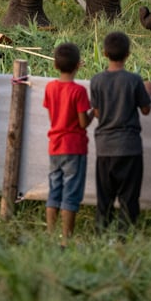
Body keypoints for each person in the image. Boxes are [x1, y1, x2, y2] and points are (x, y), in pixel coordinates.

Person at [89, 31, 151, 233]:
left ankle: (100, 234)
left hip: (105, 148)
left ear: (105, 53)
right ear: (128, 54)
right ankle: (126, 237)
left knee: (104, 199)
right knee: (129, 199)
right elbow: (146, 109)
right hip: (130, 148)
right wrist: (147, 92)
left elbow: (97, 112)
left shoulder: (96, 80)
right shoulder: (134, 80)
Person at [43, 42, 93, 246]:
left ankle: (50, 234)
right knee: (70, 192)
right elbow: (83, 123)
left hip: (55, 145)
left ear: (55, 65)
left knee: (54, 189)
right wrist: (93, 113)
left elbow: (52, 116)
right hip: (74, 147)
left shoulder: (50, 87)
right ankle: (66, 239)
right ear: (78, 65)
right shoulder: (79, 91)